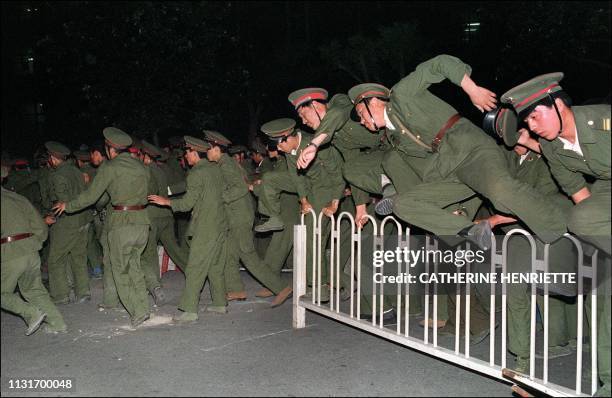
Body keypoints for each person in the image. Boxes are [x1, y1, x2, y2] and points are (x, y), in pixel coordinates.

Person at [347, 54, 568, 251]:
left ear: (374, 102)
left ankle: (561, 237)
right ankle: (469, 231)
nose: (363, 121)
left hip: (469, 148)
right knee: (403, 204)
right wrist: (450, 212)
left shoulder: (401, 95)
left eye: (361, 112)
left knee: (501, 194)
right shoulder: (395, 138)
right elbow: (420, 169)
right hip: (447, 167)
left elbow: (440, 64)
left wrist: (472, 90)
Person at [500, 73, 611, 396]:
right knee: (583, 224)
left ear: (559, 104)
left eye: (536, 115)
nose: (532, 125)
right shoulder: (552, 148)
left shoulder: (603, 122)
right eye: (527, 120)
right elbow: (582, 200)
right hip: (605, 192)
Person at [53, 127, 151, 328]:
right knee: (135, 267)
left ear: (109, 149)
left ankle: (137, 311)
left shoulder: (110, 167)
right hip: (142, 221)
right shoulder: (141, 166)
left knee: (119, 270)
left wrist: (68, 205)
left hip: (121, 223)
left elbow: (92, 196)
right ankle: (144, 307)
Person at [258, 118, 346, 302]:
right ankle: (273, 216)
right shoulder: (290, 149)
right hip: (308, 185)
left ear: (287, 138)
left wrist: (335, 202)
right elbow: (295, 177)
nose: (277, 151)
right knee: (269, 178)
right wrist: (303, 200)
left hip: (326, 188)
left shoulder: (317, 144)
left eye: (278, 146)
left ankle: (320, 286)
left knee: (314, 237)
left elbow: (338, 174)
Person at [203, 130, 293, 307]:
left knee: (248, 255)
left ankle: (282, 287)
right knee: (230, 254)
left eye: (208, 149)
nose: (206, 153)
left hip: (239, 217)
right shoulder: (225, 163)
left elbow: (241, 188)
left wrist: (220, 198)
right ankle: (236, 289)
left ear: (215, 149)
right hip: (235, 216)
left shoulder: (226, 165)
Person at [148, 136, 228, 320]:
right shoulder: (215, 169)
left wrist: (166, 201)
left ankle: (190, 309)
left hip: (205, 227)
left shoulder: (197, 173)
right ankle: (219, 303)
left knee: (195, 267)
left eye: (187, 152)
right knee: (215, 266)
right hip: (220, 223)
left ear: (194, 153)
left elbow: (187, 204)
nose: (185, 156)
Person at [288, 87, 390, 228]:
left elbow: (338, 114)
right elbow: (353, 161)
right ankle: (392, 190)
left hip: (398, 139)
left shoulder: (339, 102)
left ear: (315, 106)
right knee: (349, 169)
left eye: (303, 114)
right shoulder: (335, 137)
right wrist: (360, 208)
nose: (303, 122)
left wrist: (314, 144)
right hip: (384, 154)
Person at [1, 161, 67, 335]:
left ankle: (30, 313)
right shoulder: (18, 198)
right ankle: (57, 323)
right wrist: (35, 244)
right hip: (30, 250)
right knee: (35, 290)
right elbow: (39, 226)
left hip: (9, 252)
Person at [44, 141, 91, 304]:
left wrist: (51, 216)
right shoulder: (77, 171)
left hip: (67, 222)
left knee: (56, 258)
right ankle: (83, 292)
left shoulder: (57, 176)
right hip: (83, 219)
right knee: (79, 256)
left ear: (53, 158)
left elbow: (61, 202)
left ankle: (61, 295)